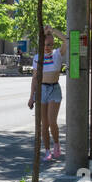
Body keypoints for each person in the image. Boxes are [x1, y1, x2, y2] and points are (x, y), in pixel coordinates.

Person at [27, 27, 67, 162]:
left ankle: (56, 144)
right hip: (42, 90)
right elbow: (34, 78)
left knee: (52, 121)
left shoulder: (57, 54)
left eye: (50, 44)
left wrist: (53, 31)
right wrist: (32, 96)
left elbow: (67, 40)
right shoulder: (37, 58)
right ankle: (47, 151)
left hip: (54, 89)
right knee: (44, 124)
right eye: (45, 44)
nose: (47, 47)